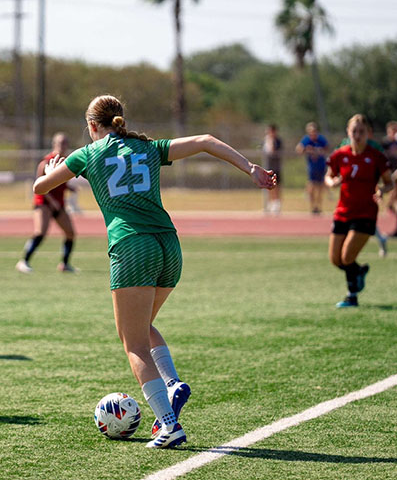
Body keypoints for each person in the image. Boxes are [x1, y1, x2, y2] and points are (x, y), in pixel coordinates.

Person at [33, 95, 276, 449]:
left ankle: (169, 425)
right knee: (143, 327)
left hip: (131, 247)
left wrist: (49, 168)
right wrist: (251, 168)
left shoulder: (86, 154)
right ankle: (172, 384)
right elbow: (206, 141)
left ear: (92, 126)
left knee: (133, 344)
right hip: (168, 246)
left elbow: (41, 188)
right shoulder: (147, 147)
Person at [325, 114, 393, 308]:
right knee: (335, 259)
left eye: (361, 131)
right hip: (342, 211)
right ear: (348, 132)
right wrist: (333, 182)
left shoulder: (376, 156)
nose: (357, 135)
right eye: (354, 131)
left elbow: (390, 183)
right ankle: (359, 272)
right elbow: (328, 177)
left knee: (347, 257)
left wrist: (381, 190)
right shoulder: (340, 154)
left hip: (365, 213)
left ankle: (351, 296)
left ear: (368, 134)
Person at [16, 132, 77, 274]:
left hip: (59, 204)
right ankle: (24, 261)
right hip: (44, 203)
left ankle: (65, 264)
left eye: (65, 143)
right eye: (61, 143)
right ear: (54, 144)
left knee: (70, 233)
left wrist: (69, 188)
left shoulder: (66, 161)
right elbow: (39, 184)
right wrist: (52, 200)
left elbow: (59, 183)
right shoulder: (45, 162)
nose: (63, 146)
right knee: (40, 232)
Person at [296, 122, 328, 215]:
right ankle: (313, 206)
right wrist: (306, 150)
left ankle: (319, 206)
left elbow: (327, 148)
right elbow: (298, 149)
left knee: (320, 187)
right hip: (312, 167)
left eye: (314, 131)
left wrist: (320, 151)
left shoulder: (321, 139)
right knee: (311, 187)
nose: (312, 134)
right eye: (310, 132)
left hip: (321, 166)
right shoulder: (306, 140)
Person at [262, 124, 283, 214]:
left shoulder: (277, 141)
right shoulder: (265, 140)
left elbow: (273, 150)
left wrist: (271, 141)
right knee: (268, 185)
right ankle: (270, 203)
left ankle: (277, 203)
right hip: (268, 167)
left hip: (276, 167)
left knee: (277, 185)